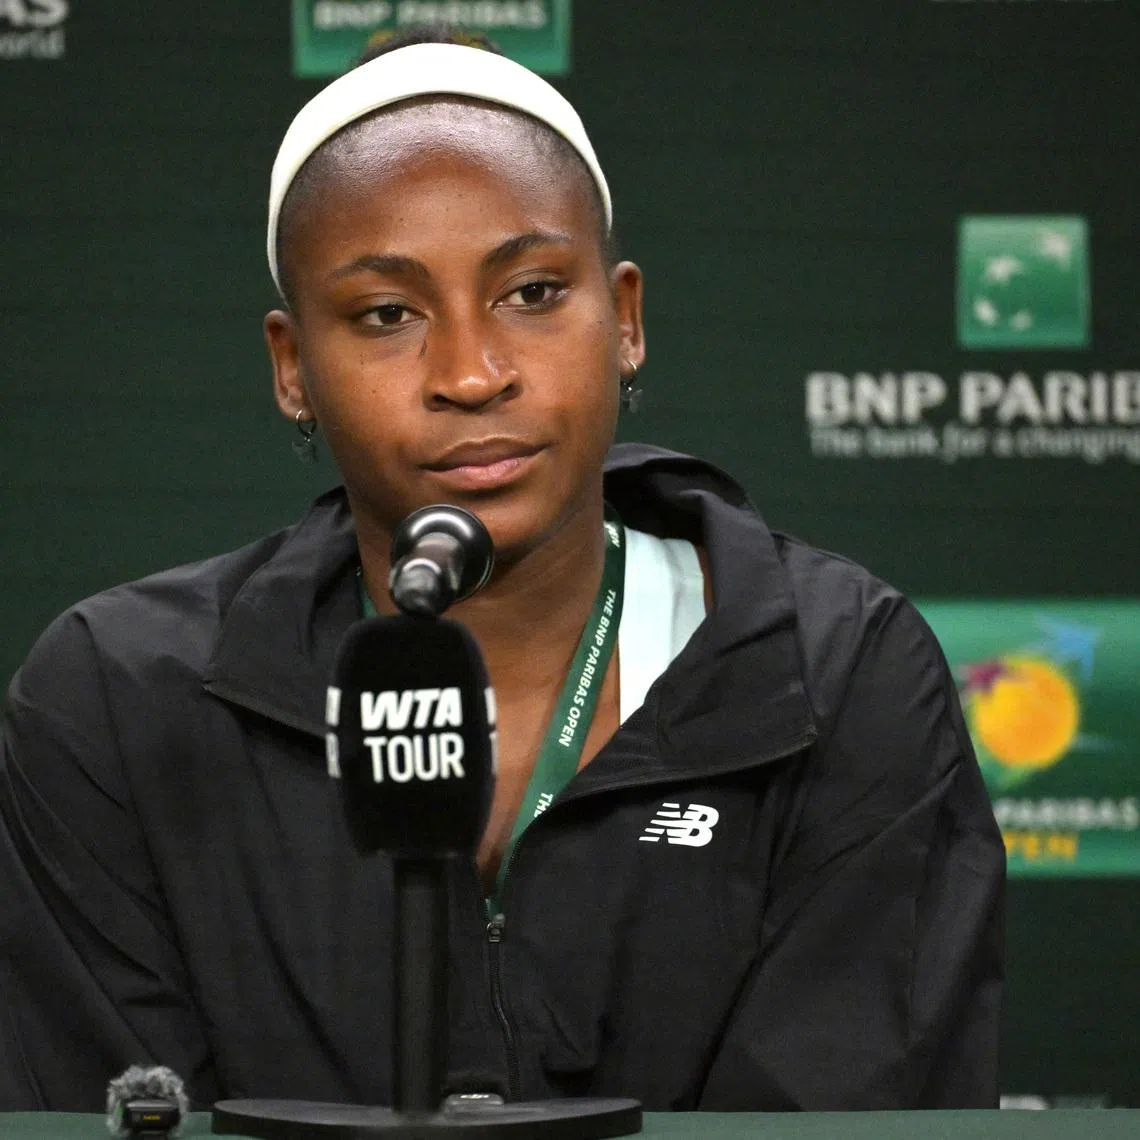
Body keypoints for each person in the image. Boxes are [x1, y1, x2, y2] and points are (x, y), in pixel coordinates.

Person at [0, 27, 1004, 1114]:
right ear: (293, 369)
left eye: (531, 293)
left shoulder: (839, 673)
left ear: (623, 319)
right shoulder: (115, 703)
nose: (472, 374)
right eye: (387, 315)